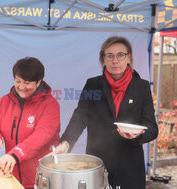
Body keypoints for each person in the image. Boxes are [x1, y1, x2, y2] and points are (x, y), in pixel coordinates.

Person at [53, 36, 158, 189]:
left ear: (128, 57)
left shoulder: (141, 87)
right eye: (109, 55)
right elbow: (79, 118)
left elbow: (152, 127)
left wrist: (139, 135)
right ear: (103, 59)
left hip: (130, 167)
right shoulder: (93, 85)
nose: (115, 60)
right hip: (97, 165)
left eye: (120, 55)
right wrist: (65, 143)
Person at [0, 57, 60, 189]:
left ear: (38, 82)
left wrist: (16, 154)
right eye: (18, 81)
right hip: (12, 176)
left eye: (27, 83)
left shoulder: (50, 105)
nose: (21, 87)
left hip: (40, 178)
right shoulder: (5, 101)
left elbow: (41, 136)